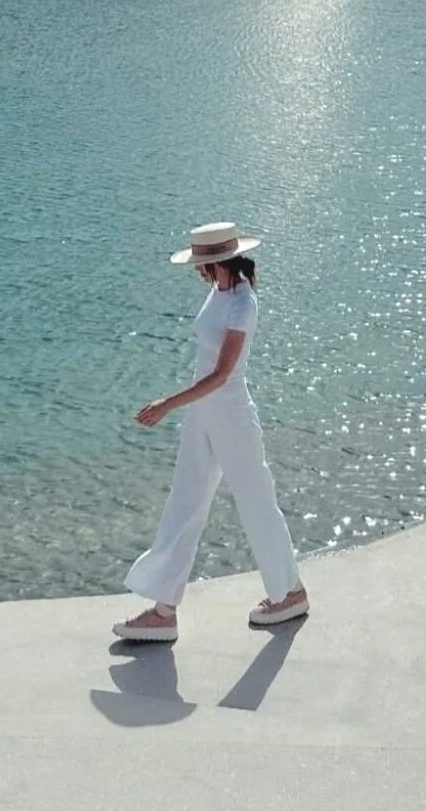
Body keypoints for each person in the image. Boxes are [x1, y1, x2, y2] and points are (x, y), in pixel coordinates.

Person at [114, 222, 308, 642]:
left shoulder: (242, 304)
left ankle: (289, 592)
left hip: (232, 417)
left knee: (257, 504)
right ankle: (164, 611)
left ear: (215, 262)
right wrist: (186, 408)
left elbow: (222, 375)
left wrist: (168, 403)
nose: (197, 271)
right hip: (202, 417)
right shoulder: (217, 294)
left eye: (201, 263)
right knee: (184, 505)